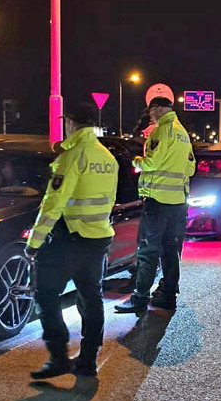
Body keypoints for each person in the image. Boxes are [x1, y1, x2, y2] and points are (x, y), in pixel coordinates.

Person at [25, 101, 118, 379]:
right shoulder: (107, 157)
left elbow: (52, 204)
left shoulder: (72, 156)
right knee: (91, 296)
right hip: (99, 236)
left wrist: (34, 243)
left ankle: (58, 356)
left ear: (71, 123)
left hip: (71, 237)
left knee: (46, 293)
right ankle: (88, 360)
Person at [116, 95, 195, 317]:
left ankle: (139, 298)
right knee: (170, 251)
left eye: (151, 111)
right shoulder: (182, 133)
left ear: (160, 109)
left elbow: (152, 162)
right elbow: (190, 169)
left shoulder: (161, 131)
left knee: (148, 252)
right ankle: (168, 297)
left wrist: (135, 161)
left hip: (157, 201)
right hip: (178, 202)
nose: (150, 115)